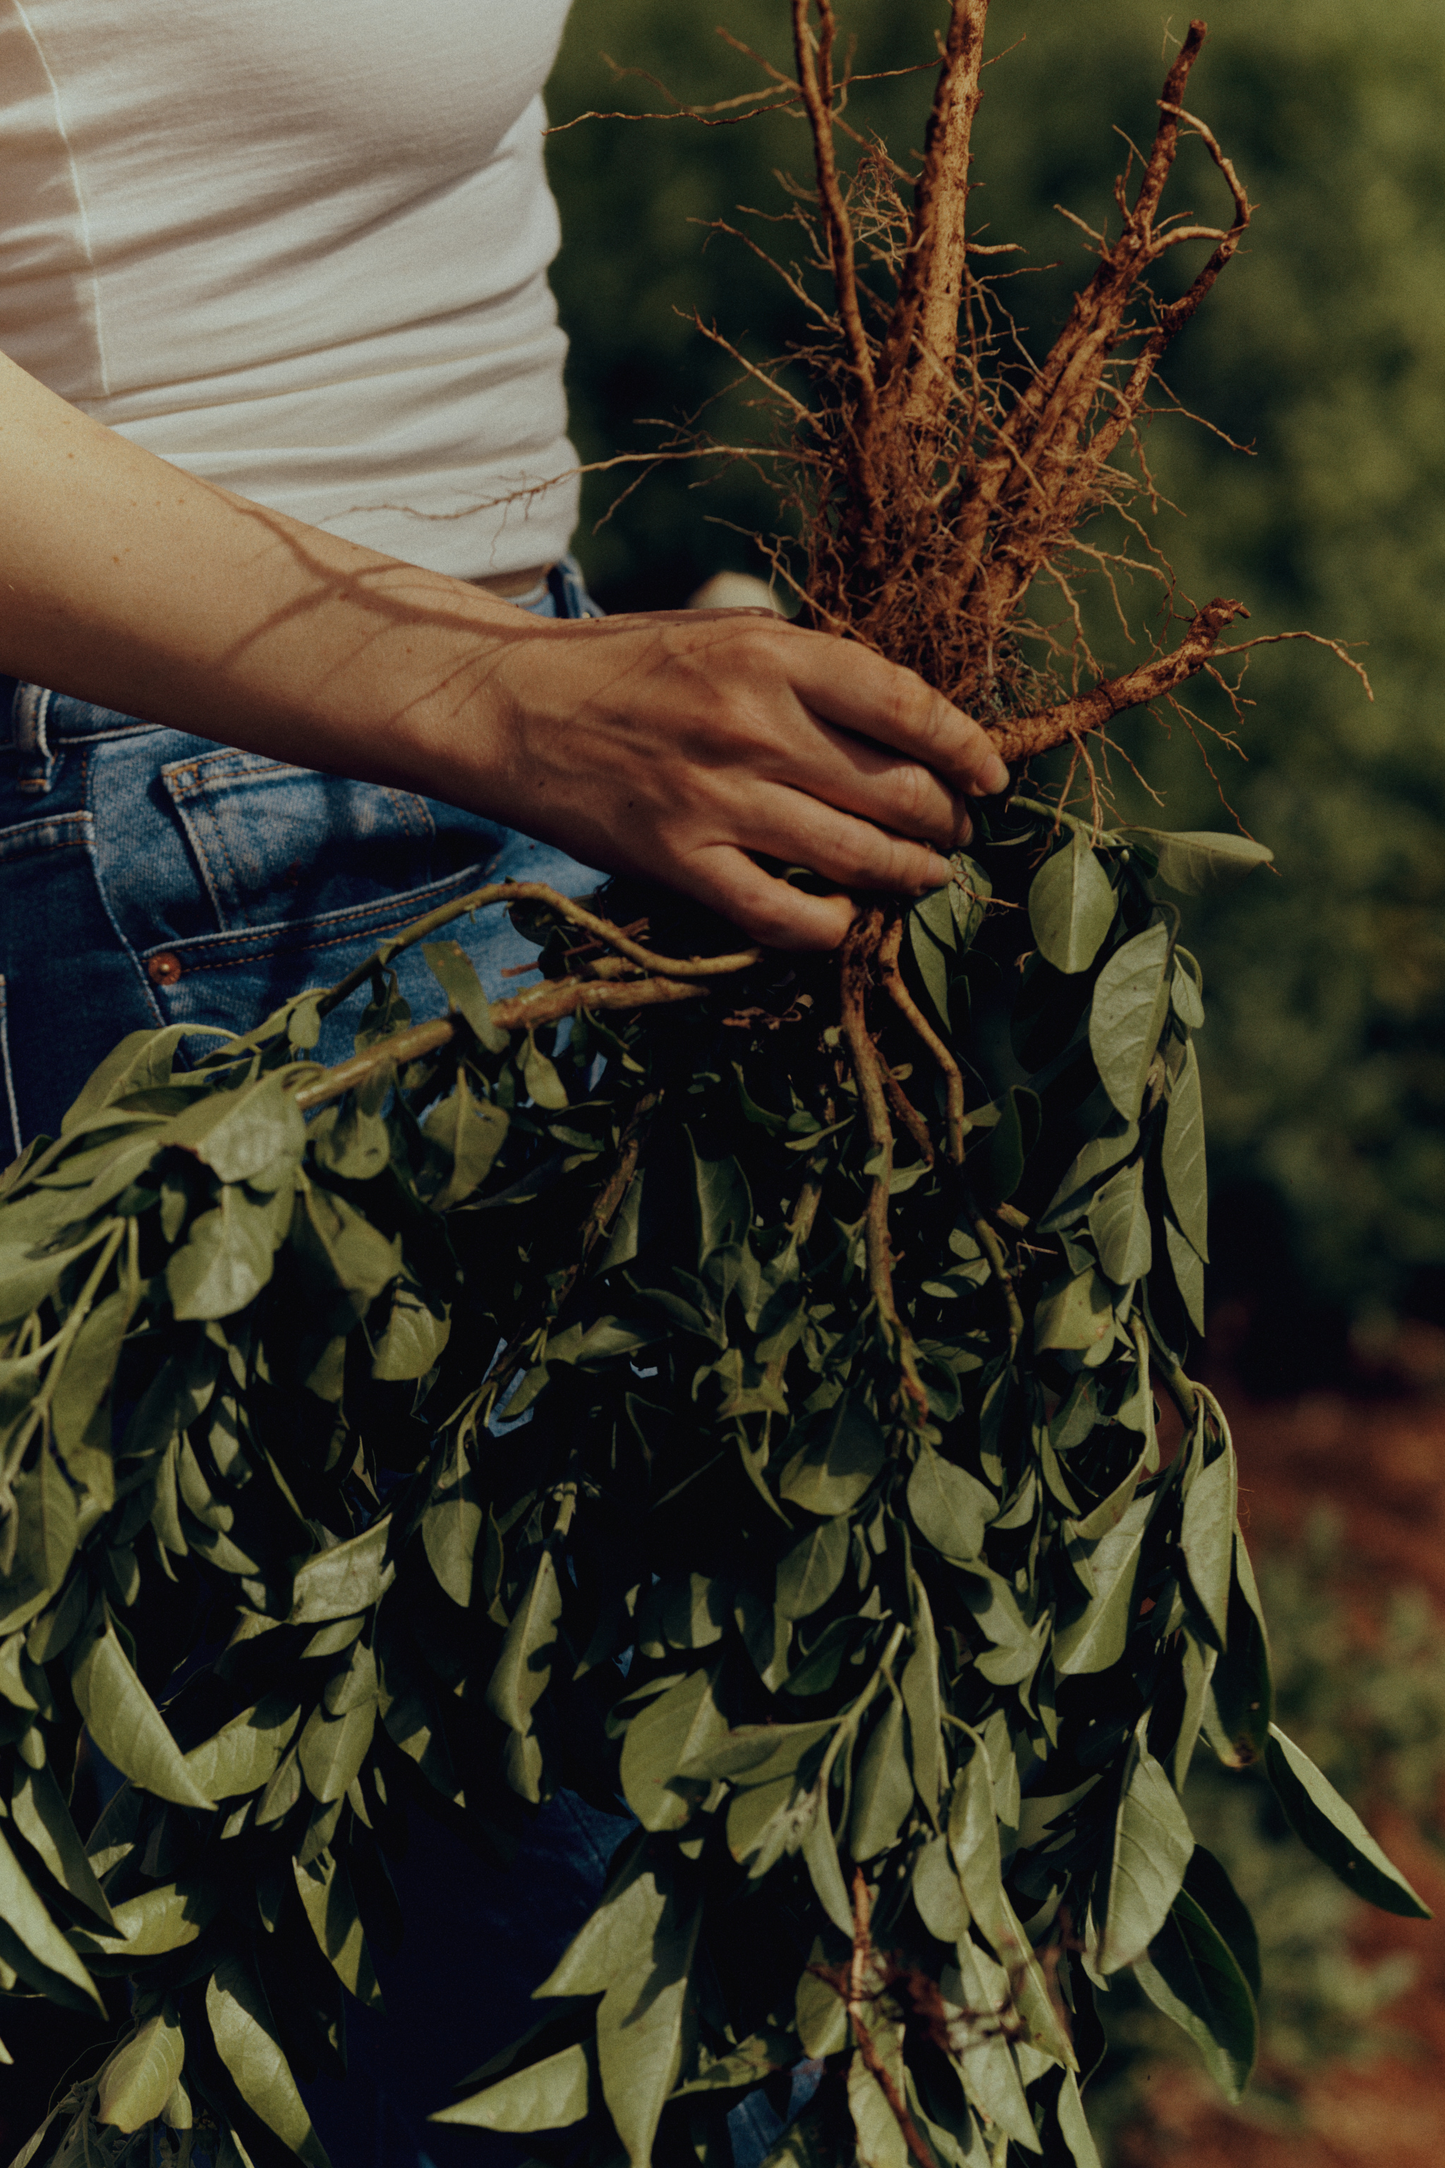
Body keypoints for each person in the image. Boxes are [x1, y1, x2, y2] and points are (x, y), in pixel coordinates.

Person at [0, 5, 1006, 2161]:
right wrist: (497, 687)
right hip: (210, 854)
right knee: (490, 2014)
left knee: (686, 1947)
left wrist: (589, 675)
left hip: (489, 763)